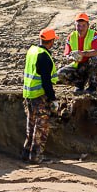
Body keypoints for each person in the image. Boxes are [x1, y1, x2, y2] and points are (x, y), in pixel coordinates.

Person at [22, 28, 58, 164]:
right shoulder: (44, 56)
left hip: (28, 94)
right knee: (41, 127)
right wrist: (52, 99)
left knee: (30, 125)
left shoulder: (32, 51)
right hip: (39, 96)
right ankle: (36, 156)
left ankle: (26, 153)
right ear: (52, 41)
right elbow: (46, 81)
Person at [61, 13, 97, 94]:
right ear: (75, 25)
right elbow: (66, 55)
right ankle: (79, 84)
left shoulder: (93, 34)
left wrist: (82, 53)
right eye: (78, 25)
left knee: (94, 60)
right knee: (60, 74)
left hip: (90, 64)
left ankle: (93, 86)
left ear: (88, 25)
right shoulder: (71, 36)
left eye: (83, 25)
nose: (81, 28)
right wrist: (72, 57)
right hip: (78, 65)